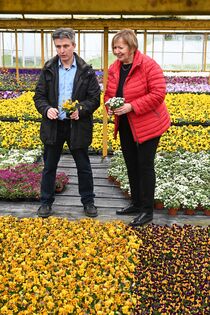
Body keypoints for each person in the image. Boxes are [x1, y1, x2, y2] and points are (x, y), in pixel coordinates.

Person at [104, 29, 170, 227]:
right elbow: (108, 92)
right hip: (125, 124)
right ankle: (136, 203)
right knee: (131, 164)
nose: (116, 51)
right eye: (114, 47)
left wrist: (132, 106)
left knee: (145, 166)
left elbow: (159, 93)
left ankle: (147, 211)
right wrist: (109, 105)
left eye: (120, 47)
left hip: (148, 124)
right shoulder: (114, 68)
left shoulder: (148, 65)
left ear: (132, 47)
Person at [34, 28, 100, 218]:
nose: (61, 50)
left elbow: (94, 98)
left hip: (77, 126)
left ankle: (88, 202)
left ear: (73, 45)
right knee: (49, 167)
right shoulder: (48, 69)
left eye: (65, 46)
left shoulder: (85, 71)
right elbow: (39, 96)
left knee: (84, 167)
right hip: (54, 125)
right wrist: (47, 109)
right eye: (58, 46)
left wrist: (81, 110)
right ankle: (46, 202)